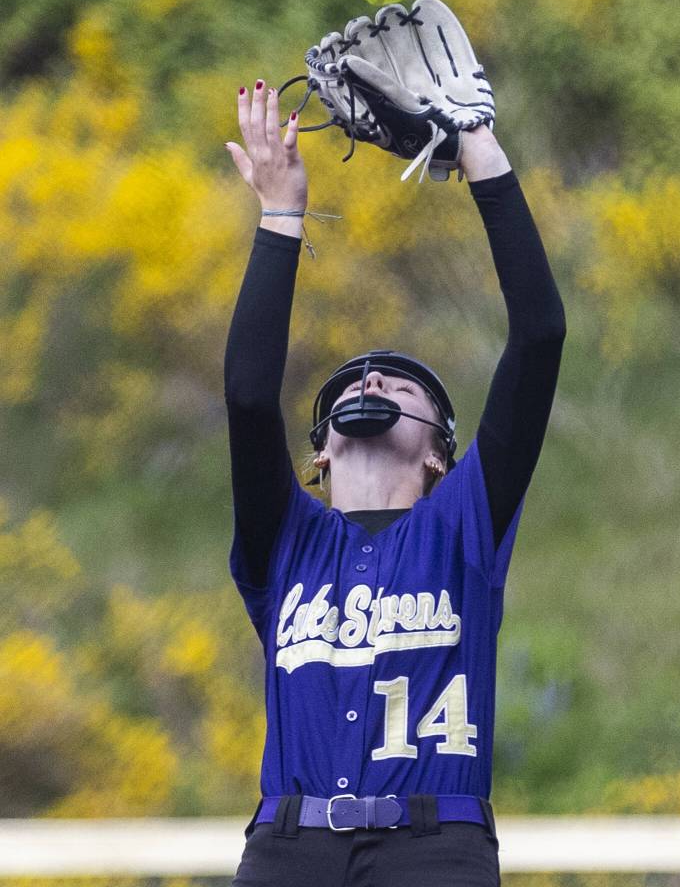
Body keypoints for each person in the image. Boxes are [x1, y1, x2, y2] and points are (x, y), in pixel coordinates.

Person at [223, 78, 566, 887]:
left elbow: (540, 333)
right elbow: (245, 393)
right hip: (287, 851)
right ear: (320, 457)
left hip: (435, 850)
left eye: (402, 389)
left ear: (439, 455)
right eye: (353, 385)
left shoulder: (464, 525)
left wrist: (477, 144)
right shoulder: (287, 536)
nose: (373, 384)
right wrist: (280, 214)